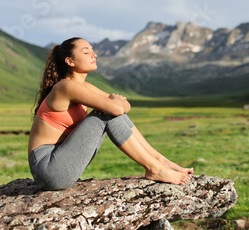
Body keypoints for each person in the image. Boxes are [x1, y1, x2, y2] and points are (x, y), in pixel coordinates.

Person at [28, 37, 193, 190]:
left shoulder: (84, 87)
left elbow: (124, 107)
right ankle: (154, 168)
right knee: (105, 113)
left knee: (109, 111)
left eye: (92, 50)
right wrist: (115, 103)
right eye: (86, 52)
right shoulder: (66, 87)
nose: (94, 54)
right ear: (70, 61)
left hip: (61, 164)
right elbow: (117, 108)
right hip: (48, 168)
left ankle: (160, 161)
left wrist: (116, 104)